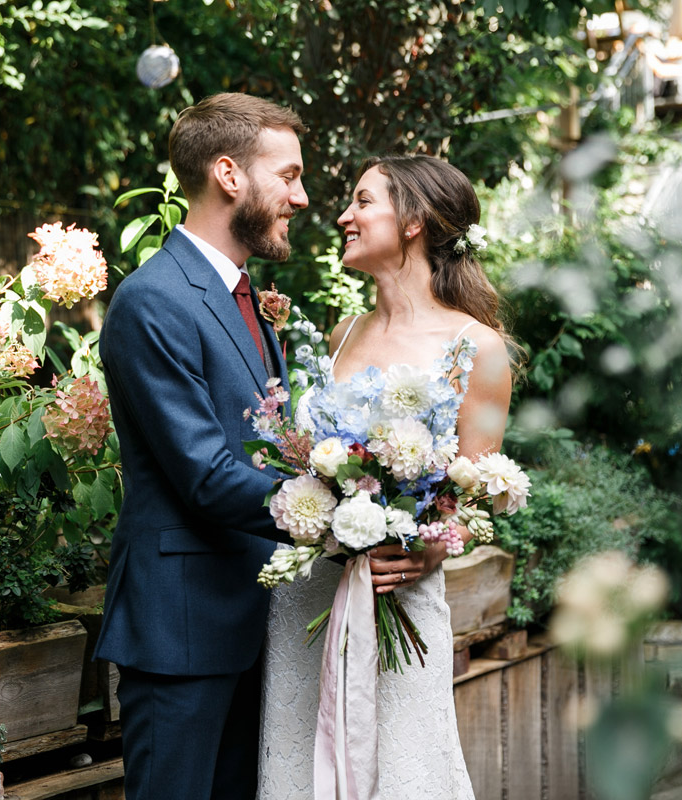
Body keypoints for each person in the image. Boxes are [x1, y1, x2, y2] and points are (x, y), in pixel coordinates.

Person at [257, 155, 515, 799]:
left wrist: (425, 549)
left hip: (397, 595)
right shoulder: (340, 335)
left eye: (363, 201)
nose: (343, 215)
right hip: (307, 598)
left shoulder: (477, 347)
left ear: (414, 221)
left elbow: (474, 493)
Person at [96, 93, 308, 800]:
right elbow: (207, 474)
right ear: (229, 174)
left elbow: (267, 452)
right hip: (180, 629)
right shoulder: (153, 299)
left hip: (253, 623)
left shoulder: (246, 301)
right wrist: (334, 509)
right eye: (289, 175)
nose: (300, 197)